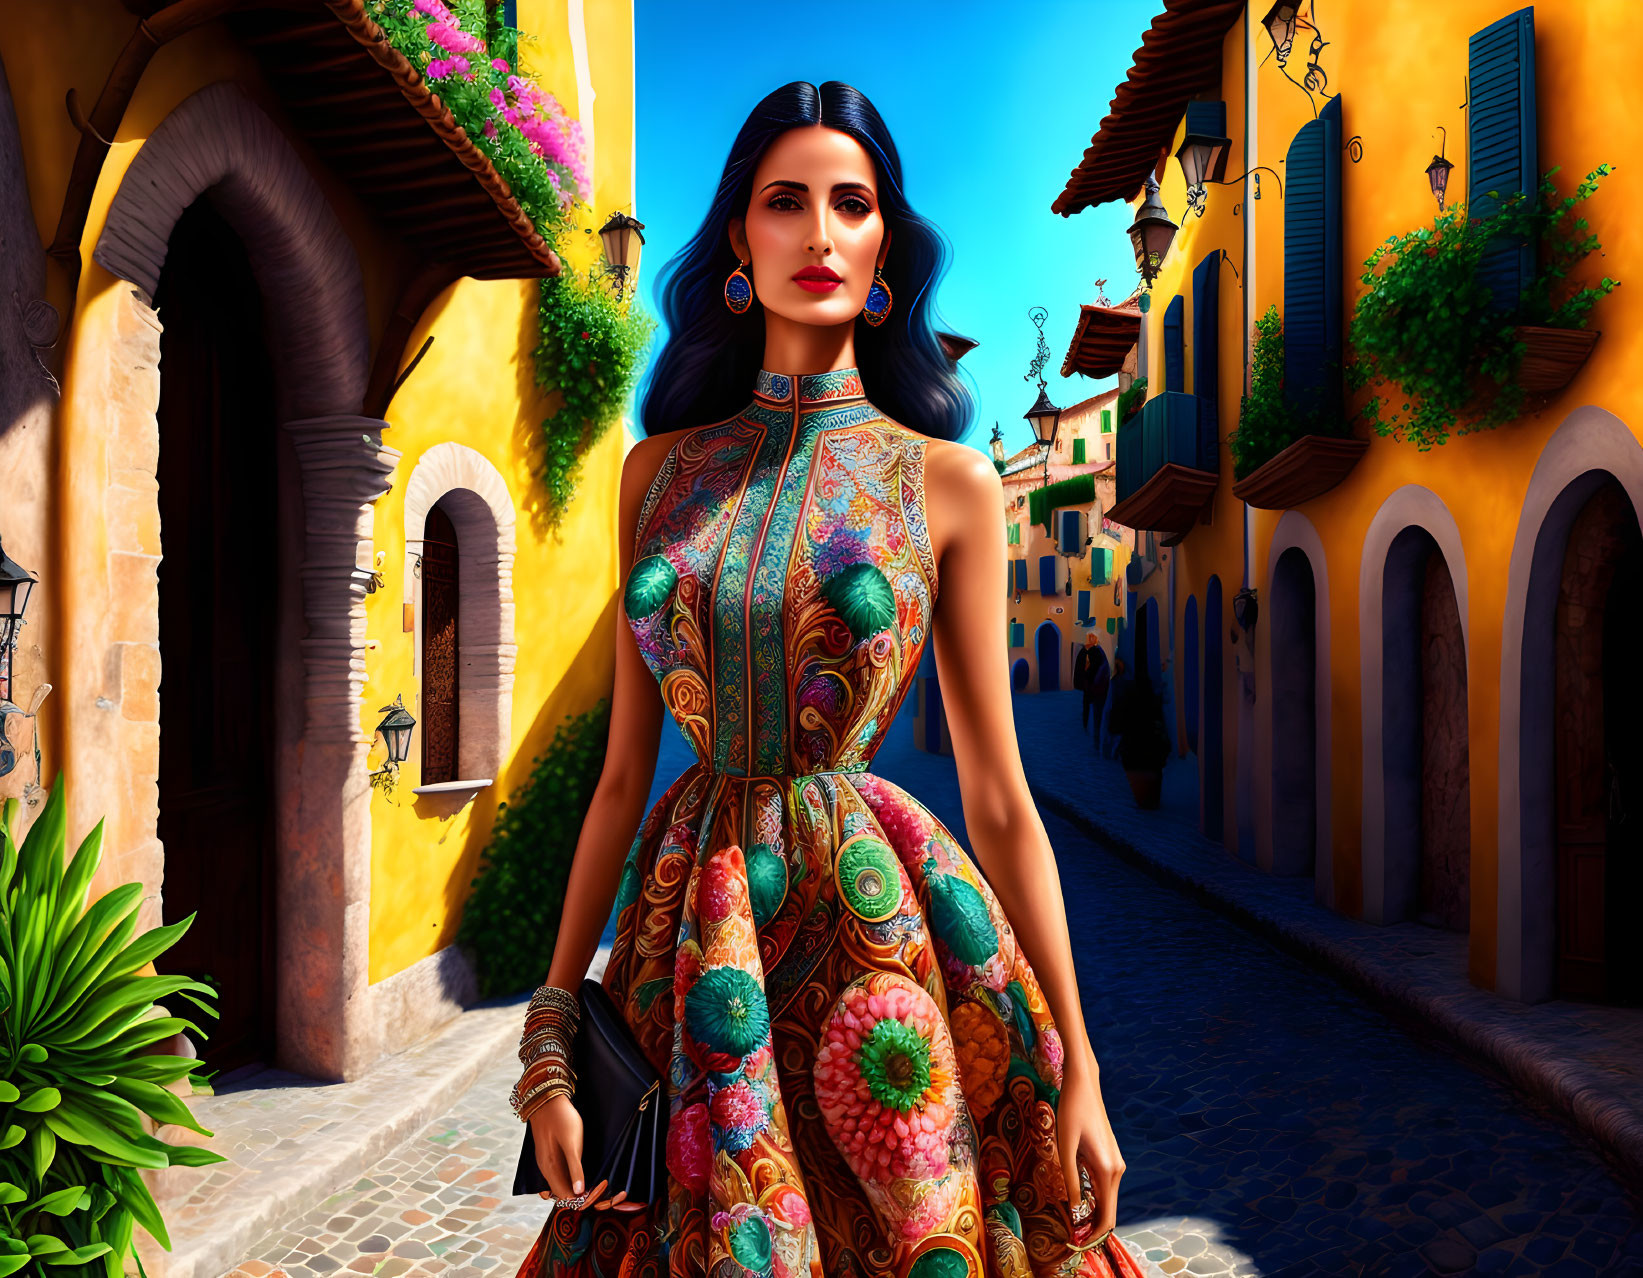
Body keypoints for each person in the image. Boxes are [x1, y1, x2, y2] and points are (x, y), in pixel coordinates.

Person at [514, 81, 1139, 1278]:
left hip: (880, 938)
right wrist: (552, 1037)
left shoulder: (947, 484)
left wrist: (1079, 1062)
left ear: (883, 248)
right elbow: (619, 779)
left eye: (848, 204)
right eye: (782, 201)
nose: (816, 232)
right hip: (685, 944)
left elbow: (998, 793)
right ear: (738, 244)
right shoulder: (654, 476)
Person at [1075, 634, 1111, 741]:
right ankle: (1093, 731)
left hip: (1094, 690)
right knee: (1094, 711)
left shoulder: (1095, 663)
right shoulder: (1097, 659)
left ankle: (1093, 732)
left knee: (1095, 711)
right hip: (1094, 690)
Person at [1100, 656, 1129, 760]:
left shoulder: (1115, 682)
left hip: (1115, 709)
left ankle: (1111, 751)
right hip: (1116, 709)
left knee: (1112, 730)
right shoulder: (1119, 682)